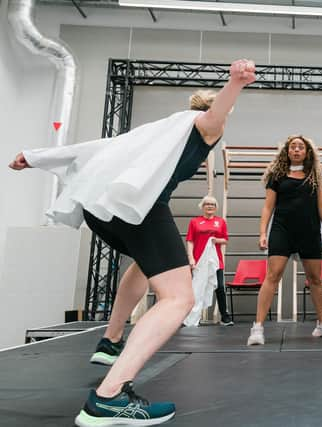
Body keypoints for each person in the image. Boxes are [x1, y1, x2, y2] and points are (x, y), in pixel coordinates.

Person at [9, 59, 256, 425]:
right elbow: (215, 114)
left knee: (146, 266)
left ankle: (111, 340)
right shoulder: (203, 127)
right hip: (138, 209)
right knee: (179, 298)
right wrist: (236, 82)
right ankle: (110, 396)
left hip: (105, 207)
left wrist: (34, 157)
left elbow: (97, 147)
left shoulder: (157, 131)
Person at [247, 135, 322, 345]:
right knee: (272, 276)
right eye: (293, 147)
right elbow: (268, 207)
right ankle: (257, 328)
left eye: (301, 147)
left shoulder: (315, 176)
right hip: (282, 231)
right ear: (287, 152)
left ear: (307, 152)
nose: (297, 149)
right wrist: (263, 233)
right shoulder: (277, 176)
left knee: (316, 279)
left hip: (309, 232)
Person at [187, 195, 233, 325]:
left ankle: (225, 316)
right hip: (199, 261)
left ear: (216, 207)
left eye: (212, 204)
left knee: (220, 286)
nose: (209, 206)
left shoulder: (221, 222)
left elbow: (225, 240)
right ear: (202, 206)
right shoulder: (195, 222)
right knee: (197, 287)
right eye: (207, 204)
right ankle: (192, 316)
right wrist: (191, 258)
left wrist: (215, 240)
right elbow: (190, 241)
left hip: (216, 261)